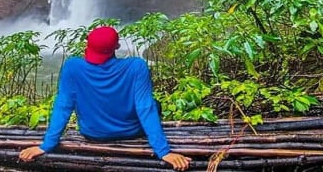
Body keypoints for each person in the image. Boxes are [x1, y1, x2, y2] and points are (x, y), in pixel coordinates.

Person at [18, 26, 192, 171]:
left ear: (88, 45)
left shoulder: (72, 67)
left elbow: (63, 106)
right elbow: (145, 107)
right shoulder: (136, 67)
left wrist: (46, 145)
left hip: (92, 134)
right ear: (117, 46)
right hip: (131, 132)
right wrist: (164, 152)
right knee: (154, 104)